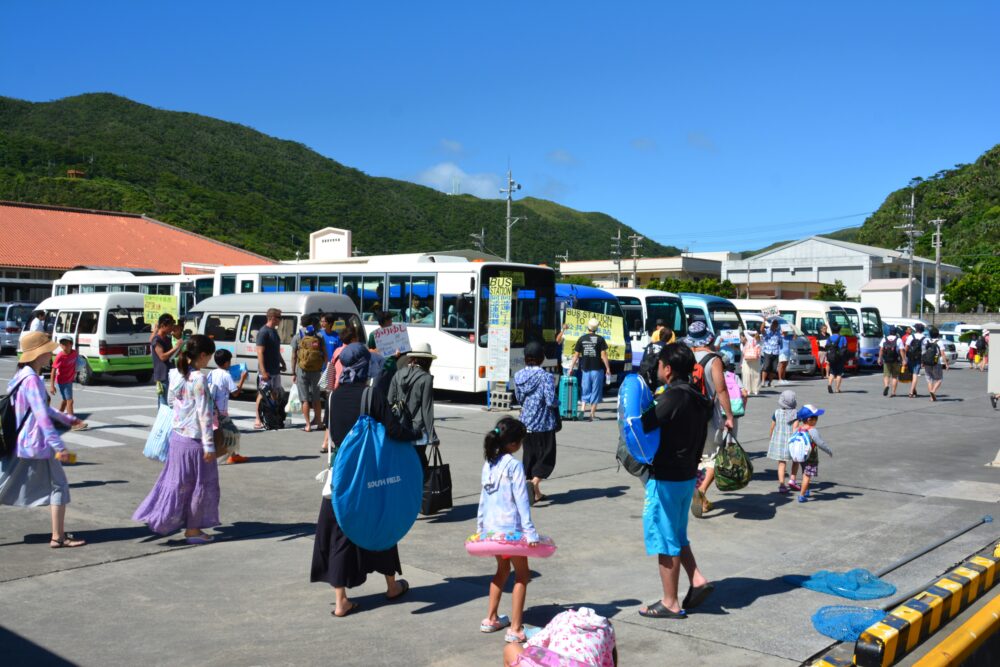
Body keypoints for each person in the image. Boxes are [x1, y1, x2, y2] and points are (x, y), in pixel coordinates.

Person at [310, 343, 420, 617]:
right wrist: (413, 433)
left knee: (340, 534)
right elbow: (393, 431)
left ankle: (340, 602)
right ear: (364, 366)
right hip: (372, 474)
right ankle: (392, 586)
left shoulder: (333, 397)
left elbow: (335, 435)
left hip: (342, 475)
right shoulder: (371, 395)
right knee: (382, 522)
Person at [637, 343, 714, 619]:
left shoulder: (671, 398)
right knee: (677, 534)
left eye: (659, 365)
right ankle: (697, 578)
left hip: (667, 478)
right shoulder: (697, 396)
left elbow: (643, 424)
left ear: (667, 370)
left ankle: (670, 601)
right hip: (686, 476)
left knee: (664, 539)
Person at [0, 332, 88, 548]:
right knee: (59, 485)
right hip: (35, 443)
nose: (51, 354)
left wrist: (67, 418)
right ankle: (58, 537)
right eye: (48, 351)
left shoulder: (21, 376)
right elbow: (41, 416)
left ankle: (58, 536)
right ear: (38, 354)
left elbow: (41, 409)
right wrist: (60, 446)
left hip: (23, 442)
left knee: (8, 484)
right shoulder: (31, 380)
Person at [133, 335, 221, 543]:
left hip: (177, 438)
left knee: (178, 483)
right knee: (199, 485)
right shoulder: (198, 377)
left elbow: (172, 401)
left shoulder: (177, 374)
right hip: (195, 440)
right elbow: (204, 413)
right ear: (202, 355)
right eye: (209, 356)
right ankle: (193, 530)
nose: (209, 360)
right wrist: (209, 445)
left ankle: (165, 518)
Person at [476, 417, 538, 642]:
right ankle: (515, 628)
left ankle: (490, 618)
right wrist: (530, 532)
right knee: (522, 574)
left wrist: (481, 528)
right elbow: (522, 500)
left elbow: (483, 499)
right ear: (513, 444)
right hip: (511, 531)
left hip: (493, 532)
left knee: (502, 571)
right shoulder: (514, 465)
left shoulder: (489, 464)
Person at [684, 322, 734, 518]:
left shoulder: (684, 357)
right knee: (714, 457)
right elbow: (721, 390)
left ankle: (699, 498)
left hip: (686, 416)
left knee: (695, 458)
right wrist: (729, 416)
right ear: (709, 338)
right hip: (708, 416)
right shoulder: (714, 360)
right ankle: (702, 490)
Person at [513, 341, 559, 504]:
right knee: (546, 457)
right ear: (541, 358)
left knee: (530, 456)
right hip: (543, 423)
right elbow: (550, 400)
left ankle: (536, 494)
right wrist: (558, 402)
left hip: (525, 423)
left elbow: (519, 398)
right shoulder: (546, 377)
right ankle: (533, 484)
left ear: (525, 358)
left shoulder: (518, 376)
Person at [502, 607, 617, 667]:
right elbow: (611, 659)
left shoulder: (563, 618)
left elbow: (530, 649)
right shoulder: (606, 628)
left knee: (511, 648)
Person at [388, 342, 439, 476]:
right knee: (419, 467)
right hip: (418, 431)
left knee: (401, 465)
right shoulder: (426, 378)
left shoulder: (398, 374)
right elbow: (427, 410)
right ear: (427, 360)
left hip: (400, 428)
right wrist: (433, 437)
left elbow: (389, 401)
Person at [208, 349, 248, 464]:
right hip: (221, 411)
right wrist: (242, 379)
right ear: (226, 362)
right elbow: (235, 392)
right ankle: (226, 456)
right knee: (233, 433)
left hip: (212, 408)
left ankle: (233, 455)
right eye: (229, 361)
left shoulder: (212, 373)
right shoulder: (226, 375)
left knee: (223, 433)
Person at [567, 318, 611, 421]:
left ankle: (582, 410)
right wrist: (608, 368)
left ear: (588, 327)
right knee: (596, 391)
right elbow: (603, 355)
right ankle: (592, 414)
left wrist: (571, 368)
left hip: (585, 369)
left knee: (585, 390)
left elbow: (576, 355)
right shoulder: (600, 339)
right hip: (597, 369)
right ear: (597, 328)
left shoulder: (582, 339)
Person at [791, 404, 833, 503]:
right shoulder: (812, 430)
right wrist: (829, 451)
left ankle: (805, 491)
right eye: (816, 418)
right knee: (807, 476)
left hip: (801, 457)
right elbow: (820, 443)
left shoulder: (799, 429)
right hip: (810, 457)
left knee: (804, 473)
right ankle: (801, 495)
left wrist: (798, 418)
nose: (817, 420)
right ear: (810, 419)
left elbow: (794, 428)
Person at [292, 315, 327, 432]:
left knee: (305, 399)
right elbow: (325, 354)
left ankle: (307, 425)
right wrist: (324, 368)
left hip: (302, 370)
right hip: (316, 370)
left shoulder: (298, 337)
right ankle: (320, 423)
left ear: (302, 324)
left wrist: (293, 372)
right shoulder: (319, 336)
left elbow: (294, 356)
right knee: (316, 398)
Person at [254, 308, 286, 430]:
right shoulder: (263, 332)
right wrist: (263, 371)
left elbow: (276, 350)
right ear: (272, 317)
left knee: (275, 393)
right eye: (279, 317)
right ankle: (258, 418)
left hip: (275, 369)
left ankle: (271, 417)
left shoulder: (274, 331)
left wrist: (282, 362)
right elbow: (260, 352)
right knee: (262, 394)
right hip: (266, 370)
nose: (280, 320)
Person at [766, 390, 799, 494]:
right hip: (791, 442)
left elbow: (772, 426)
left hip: (779, 441)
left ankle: (781, 485)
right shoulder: (796, 414)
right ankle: (792, 479)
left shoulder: (776, 412)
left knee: (781, 463)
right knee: (796, 460)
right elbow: (795, 428)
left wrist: (771, 436)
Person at [152, 314, 182, 407]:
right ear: (163, 326)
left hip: (171, 372)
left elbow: (173, 355)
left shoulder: (168, 339)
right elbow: (162, 357)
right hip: (162, 375)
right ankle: (162, 421)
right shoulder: (156, 340)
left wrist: (178, 343)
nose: (172, 328)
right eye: (170, 326)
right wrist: (176, 346)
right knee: (164, 403)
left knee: (170, 402)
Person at [49, 337, 80, 417]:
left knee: (65, 400)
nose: (64, 346)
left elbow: (78, 362)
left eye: (66, 344)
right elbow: (53, 371)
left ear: (71, 344)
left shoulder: (74, 353)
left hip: (69, 380)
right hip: (62, 381)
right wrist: (52, 386)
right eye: (62, 344)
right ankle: (73, 422)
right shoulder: (60, 356)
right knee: (70, 401)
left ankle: (58, 418)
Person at [922, 326, 949, 402]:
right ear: (938, 334)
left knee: (929, 379)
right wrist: (946, 364)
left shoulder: (926, 341)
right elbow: (942, 354)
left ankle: (931, 397)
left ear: (930, 334)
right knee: (939, 379)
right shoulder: (939, 342)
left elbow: (924, 352)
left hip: (927, 362)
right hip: (936, 362)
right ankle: (933, 391)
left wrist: (922, 362)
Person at [878, 326, 904, 398]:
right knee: (895, 376)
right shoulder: (898, 340)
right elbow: (901, 350)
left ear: (889, 332)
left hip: (886, 360)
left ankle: (886, 386)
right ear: (896, 332)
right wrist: (904, 360)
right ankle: (893, 392)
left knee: (886, 375)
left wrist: (879, 358)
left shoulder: (884, 339)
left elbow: (881, 349)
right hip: (896, 360)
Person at [903, 323, 926, 398]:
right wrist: (923, 361)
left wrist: (904, 358)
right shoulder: (924, 338)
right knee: (915, 374)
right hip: (919, 358)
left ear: (916, 329)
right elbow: (924, 350)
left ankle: (912, 391)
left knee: (911, 374)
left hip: (910, 357)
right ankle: (912, 391)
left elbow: (906, 348)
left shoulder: (911, 336)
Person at [825, 328, 849, 394]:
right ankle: (837, 389)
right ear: (839, 331)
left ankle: (829, 384)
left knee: (832, 372)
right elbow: (845, 346)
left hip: (831, 357)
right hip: (840, 357)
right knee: (839, 373)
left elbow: (826, 347)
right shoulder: (842, 338)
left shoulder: (829, 338)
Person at [760, 319, 782, 388]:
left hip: (776, 352)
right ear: (771, 324)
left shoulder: (778, 333)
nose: (775, 325)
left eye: (776, 324)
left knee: (774, 369)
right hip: (768, 351)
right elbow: (761, 330)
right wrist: (764, 321)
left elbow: (780, 342)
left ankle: (770, 382)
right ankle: (763, 381)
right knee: (766, 367)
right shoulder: (767, 331)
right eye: (774, 324)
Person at [740, 329, 762, 396]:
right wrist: (756, 332)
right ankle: (756, 390)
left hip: (748, 359)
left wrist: (754, 331)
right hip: (756, 359)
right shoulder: (760, 340)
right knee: (756, 375)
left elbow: (745, 331)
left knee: (747, 375)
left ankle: (748, 390)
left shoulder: (750, 339)